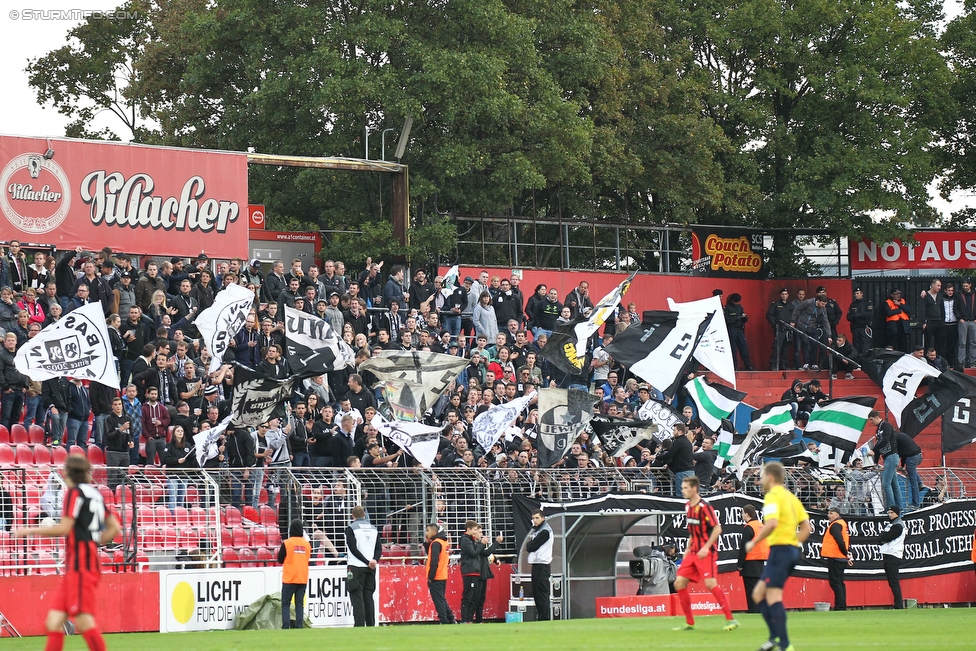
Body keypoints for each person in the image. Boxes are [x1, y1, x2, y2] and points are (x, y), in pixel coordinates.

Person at [14, 454, 121, 651]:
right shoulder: (93, 493)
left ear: (69, 472)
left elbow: (65, 528)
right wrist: (93, 540)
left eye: (64, 468)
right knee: (54, 622)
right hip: (82, 562)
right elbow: (114, 527)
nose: (62, 471)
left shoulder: (73, 493)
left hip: (81, 564)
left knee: (83, 622)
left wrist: (31, 529)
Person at [745, 461, 812, 651]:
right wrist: (795, 544)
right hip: (789, 551)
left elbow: (772, 523)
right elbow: (807, 528)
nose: (760, 480)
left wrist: (754, 542)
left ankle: (784, 644)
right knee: (759, 594)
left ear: (771, 477)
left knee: (772, 596)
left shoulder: (772, 496)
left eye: (762, 476)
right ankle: (774, 638)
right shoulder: (791, 498)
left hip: (780, 551)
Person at [672, 476, 739, 631]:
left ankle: (731, 619)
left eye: (685, 488)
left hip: (705, 552)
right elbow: (692, 532)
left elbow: (717, 529)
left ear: (694, 489)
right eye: (682, 488)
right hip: (693, 551)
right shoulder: (688, 506)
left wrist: (706, 547)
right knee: (679, 583)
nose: (683, 491)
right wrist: (688, 549)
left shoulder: (704, 506)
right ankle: (690, 622)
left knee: (710, 584)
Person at [459, 519, 503, 624]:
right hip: (471, 571)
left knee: (477, 598)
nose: (477, 533)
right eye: (475, 530)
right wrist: (483, 543)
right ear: (468, 529)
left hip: (476, 572)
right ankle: (466, 620)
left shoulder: (471, 540)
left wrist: (495, 545)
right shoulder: (466, 540)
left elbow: (485, 553)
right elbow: (475, 553)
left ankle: (471, 620)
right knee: (470, 597)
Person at [345, 504, 382, 627]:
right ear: (364, 515)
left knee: (357, 597)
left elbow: (353, 548)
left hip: (355, 567)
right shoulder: (373, 528)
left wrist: (366, 561)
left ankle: (359, 625)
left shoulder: (351, 528)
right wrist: (374, 561)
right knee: (368, 597)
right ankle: (371, 624)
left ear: (353, 515)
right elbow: (378, 549)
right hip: (371, 568)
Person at [278, 519, 311, 629]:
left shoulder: (287, 543)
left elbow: (280, 559)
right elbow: (307, 558)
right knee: (299, 604)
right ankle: (299, 625)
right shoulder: (306, 544)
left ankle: (286, 626)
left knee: (286, 604)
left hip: (290, 578)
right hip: (302, 578)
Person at [737, 504, 768, 614]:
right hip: (761, 561)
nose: (741, 515)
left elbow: (744, 547)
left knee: (751, 590)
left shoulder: (748, 527)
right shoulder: (761, 525)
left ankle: (753, 611)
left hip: (750, 562)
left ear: (747, 514)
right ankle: (760, 610)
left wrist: (740, 565)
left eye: (742, 513)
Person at [869, 410, 902, 512]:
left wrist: (873, 450)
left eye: (871, 420)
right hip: (888, 457)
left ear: (877, 417)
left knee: (886, 483)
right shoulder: (878, 430)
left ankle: (891, 508)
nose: (871, 422)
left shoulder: (886, 426)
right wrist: (875, 462)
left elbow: (885, 440)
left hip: (891, 456)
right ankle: (899, 508)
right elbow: (879, 445)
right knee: (894, 484)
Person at [423, 523, 456, 624]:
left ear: (434, 531)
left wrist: (431, 577)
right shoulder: (443, 542)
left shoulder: (436, 543)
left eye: (428, 531)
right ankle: (451, 619)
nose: (426, 533)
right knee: (442, 599)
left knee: (439, 601)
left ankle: (444, 620)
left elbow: (434, 561)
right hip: (443, 575)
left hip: (436, 576)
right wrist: (427, 543)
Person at [821, 506, 851, 611]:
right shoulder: (842, 524)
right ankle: (841, 605)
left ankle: (840, 606)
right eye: (828, 513)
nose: (828, 515)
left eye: (831, 513)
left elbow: (840, 541)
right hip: (840, 556)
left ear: (837, 514)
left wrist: (845, 554)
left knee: (835, 582)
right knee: (839, 582)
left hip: (836, 556)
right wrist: (846, 554)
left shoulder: (835, 525)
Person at [525, 508, 554, 620]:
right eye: (533, 518)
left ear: (543, 518)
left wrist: (530, 545)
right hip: (537, 565)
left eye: (537, 518)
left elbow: (531, 546)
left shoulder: (545, 531)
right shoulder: (537, 530)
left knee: (542, 593)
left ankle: (544, 617)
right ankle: (541, 616)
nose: (535, 520)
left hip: (542, 565)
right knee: (537, 593)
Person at [878, 506, 906, 609]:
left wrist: (882, 538)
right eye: (889, 512)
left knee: (893, 580)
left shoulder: (898, 526)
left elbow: (886, 537)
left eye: (892, 512)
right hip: (889, 554)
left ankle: (898, 605)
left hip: (893, 554)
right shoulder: (893, 524)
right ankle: (897, 604)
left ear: (897, 513)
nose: (890, 514)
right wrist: (882, 538)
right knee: (892, 581)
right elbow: (882, 537)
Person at [893, 427, 923, 511]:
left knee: (913, 482)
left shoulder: (894, 438)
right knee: (912, 472)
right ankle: (920, 483)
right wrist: (902, 465)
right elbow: (905, 451)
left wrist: (899, 465)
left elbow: (900, 453)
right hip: (918, 455)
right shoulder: (901, 435)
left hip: (911, 458)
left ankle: (916, 504)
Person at [724, 293, 753, 370]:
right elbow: (728, 320)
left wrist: (745, 318)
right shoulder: (727, 308)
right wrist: (739, 317)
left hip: (740, 329)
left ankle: (747, 365)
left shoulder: (739, 307)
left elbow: (743, 319)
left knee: (743, 347)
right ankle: (733, 366)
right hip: (731, 329)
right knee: (733, 349)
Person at [767, 288, 793, 370]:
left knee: (786, 348)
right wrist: (775, 325)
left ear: (788, 295)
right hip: (780, 329)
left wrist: (793, 323)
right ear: (780, 295)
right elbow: (769, 315)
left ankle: (783, 365)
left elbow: (794, 316)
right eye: (782, 294)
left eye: (785, 294)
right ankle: (773, 365)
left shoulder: (791, 305)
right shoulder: (775, 304)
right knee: (777, 348)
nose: (784, 295)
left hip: (788, 330)